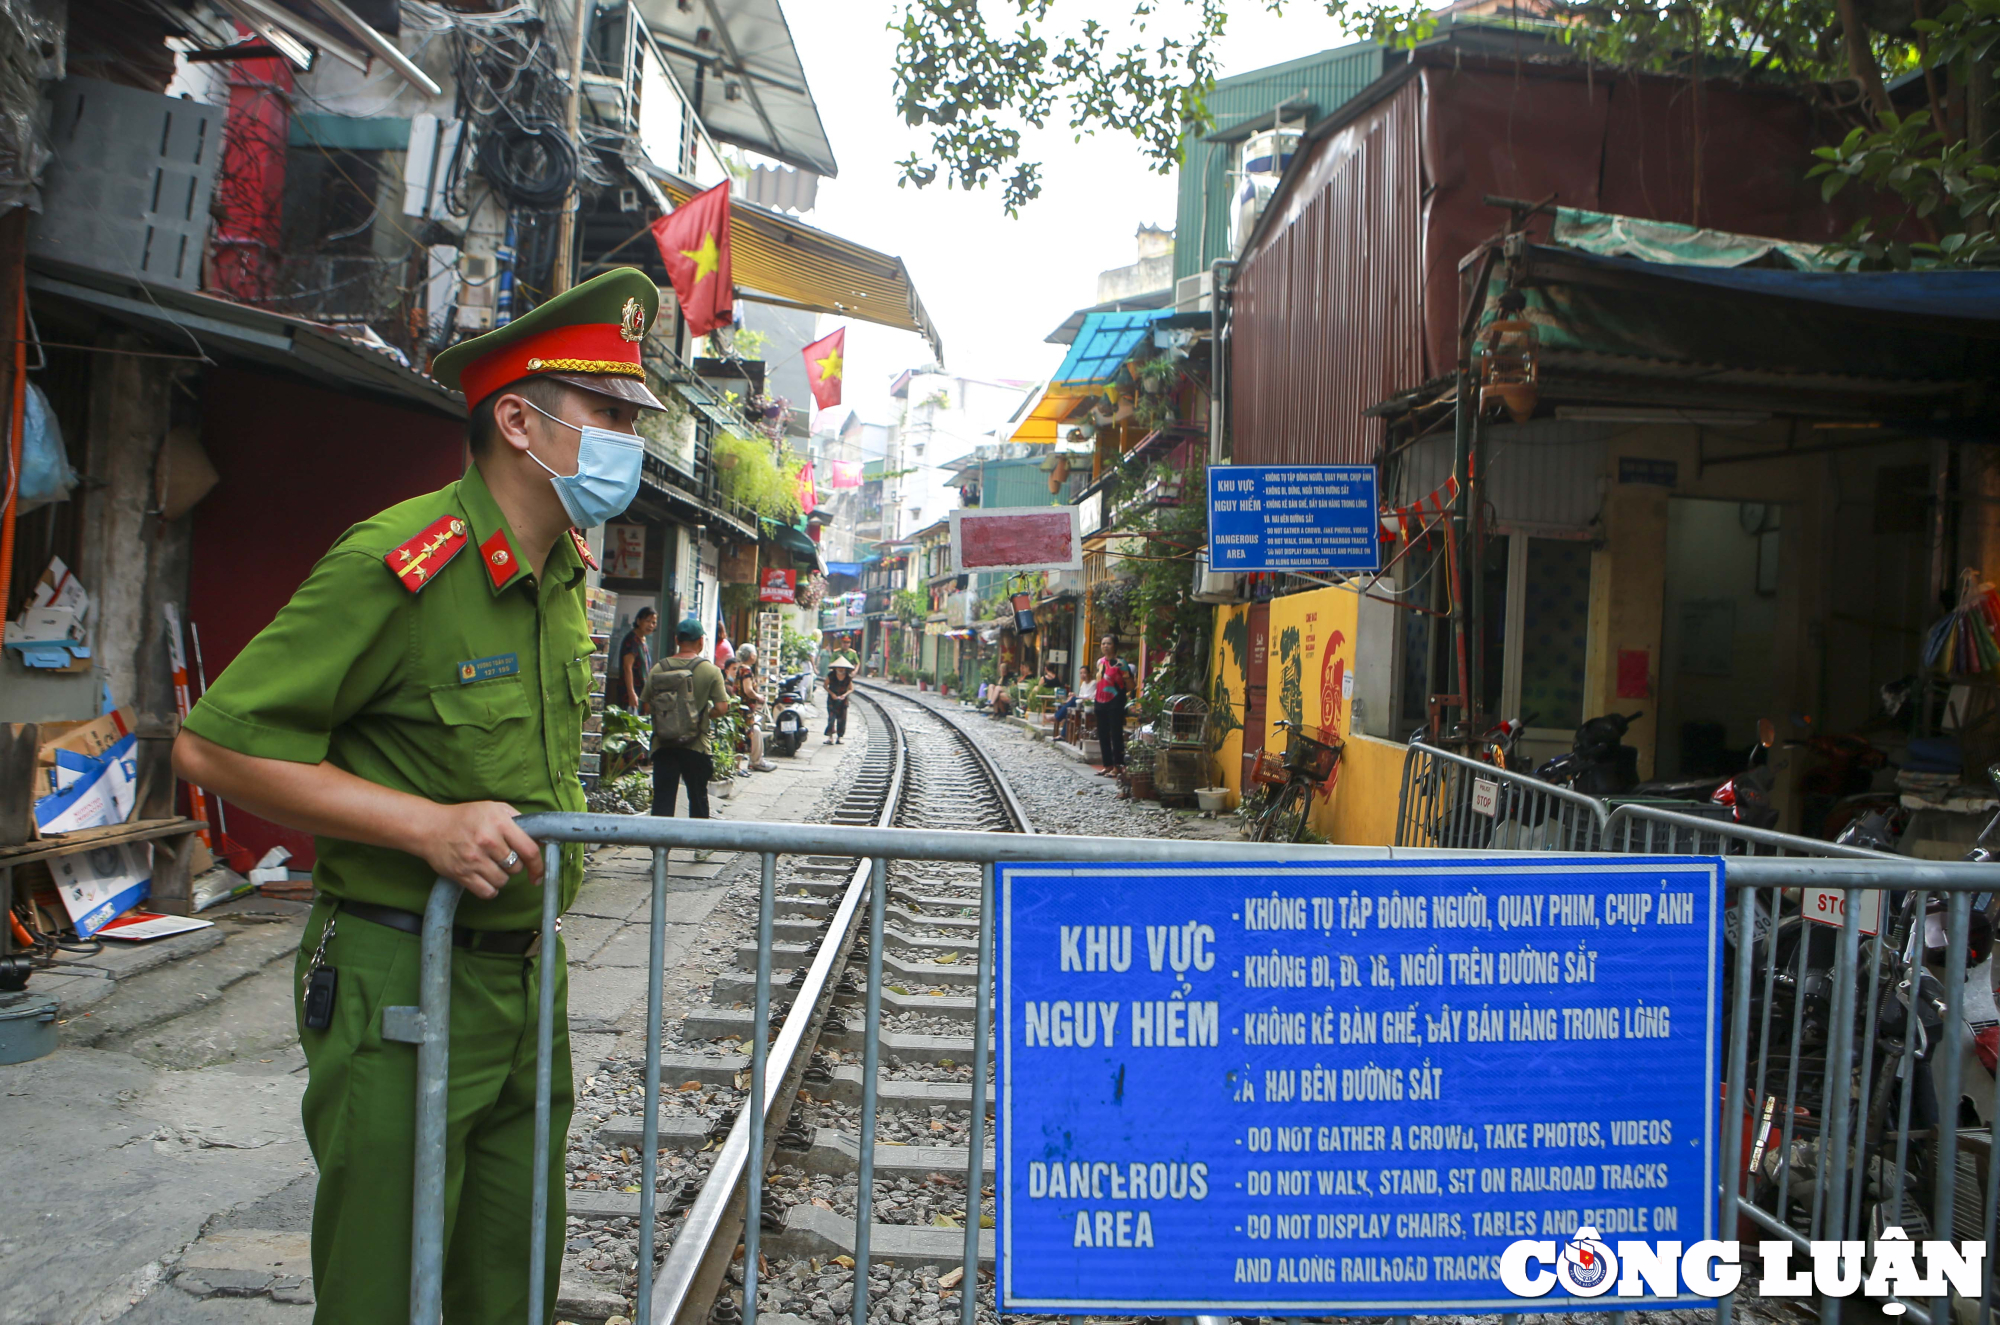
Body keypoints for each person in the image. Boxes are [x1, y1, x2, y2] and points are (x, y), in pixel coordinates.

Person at [169, 268, 664, 1322]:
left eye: (635, 414)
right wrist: (425, 826)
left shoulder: (566, 576)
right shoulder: (400, 559)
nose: (631, 435)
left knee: (510, 1276)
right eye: (610, 412)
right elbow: (215, 748)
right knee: (386, 1288)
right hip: (402, 975)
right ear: (520, 421)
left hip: (529, 978)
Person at [641, 618, 731, 823]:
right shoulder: (711, 671)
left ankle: (659, 849)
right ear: (701, 641)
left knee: (662, 801)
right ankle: (700, 848)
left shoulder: (659, 668)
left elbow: (645, 706)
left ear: (676, 640)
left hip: (663, 744)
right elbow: (722, 707)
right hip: (696, 745)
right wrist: (700, 715)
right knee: (698, 797)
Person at [733, 643, 778, 772]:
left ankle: (751, 762)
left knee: (747, 733)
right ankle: (739, 766)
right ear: (752, 656)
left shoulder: (740, 668)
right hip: (745, 709)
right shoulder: (746, 670)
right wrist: (758, 697)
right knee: (745, 735)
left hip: (740, 707)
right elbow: (748, 690)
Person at [1093, 636, 1131, 775]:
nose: (1105, 646)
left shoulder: (1121, 663)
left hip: (1115, 700)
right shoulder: (1100, 662)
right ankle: (1107, 765)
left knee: (1115, 734)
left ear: (1115, 645)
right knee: (1102, 733)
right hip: (1100, 700)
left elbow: (1130, 685)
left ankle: (1118, 765)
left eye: (1109, 643)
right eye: (1103, 643)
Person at [615, 606, 657, 710]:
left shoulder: (643, 639)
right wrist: (631, 693)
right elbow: (627, 667)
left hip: (642, 693)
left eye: (653, 622)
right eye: (647, 621)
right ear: (638, 621)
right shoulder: (632, 640)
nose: (651, 625)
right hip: (631, 693)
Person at [823, 654, 855, 743]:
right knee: (831, 718)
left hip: (843, 701)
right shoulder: (831, 675)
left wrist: (844, 695)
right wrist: (832, 694)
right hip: (832, 700)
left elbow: (851, 689)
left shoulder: (848, 678)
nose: (841, 669)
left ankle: (839, 737)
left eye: (843, 668)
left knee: (842, 719)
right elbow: (825, 685)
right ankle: (830, 737)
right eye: (839, 668)